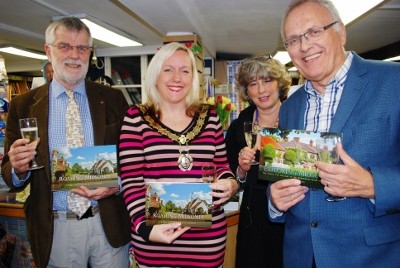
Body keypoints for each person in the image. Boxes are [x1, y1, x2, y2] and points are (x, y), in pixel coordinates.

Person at [268, 0, 400, 267]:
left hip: (371, 257)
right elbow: (281, 177)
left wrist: (374, 185)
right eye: (292, 40)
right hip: (301, 256)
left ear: (341, 32)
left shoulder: (393, 81)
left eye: (314, 32)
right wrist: (274, 199)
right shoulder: (290, 107)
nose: (304, 46)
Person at [1, 17, 130, 267]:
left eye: (82, 48)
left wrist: (118, 185)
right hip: (56, 228)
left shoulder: (113, 99)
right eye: (64, 46)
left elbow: (131, 156)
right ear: (48, 50)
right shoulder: (23, 104)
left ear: (90, 53)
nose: (74, 55)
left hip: (109, 226)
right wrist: (17, 168)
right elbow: (9, 172)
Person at [118, 42, 239, 268]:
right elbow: (131, 181)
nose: (177, 77)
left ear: (193, 78)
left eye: (185, 71)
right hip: (155, 242)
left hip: (207, 242)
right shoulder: (136, 117)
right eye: (168, 69)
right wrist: (146, 228)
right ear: (155, 75)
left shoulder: (209, 116)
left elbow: (221, 165)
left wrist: (230, 183)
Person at [224, 55, 290, 268]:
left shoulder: (298, 117)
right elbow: (230, 176)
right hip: (252, 218)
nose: (261, 90)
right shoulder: (238, 126)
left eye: (267, 80)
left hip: (291, 215)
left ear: (279, 83)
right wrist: (241, 170)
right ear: (246, 90)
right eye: (253, 84)